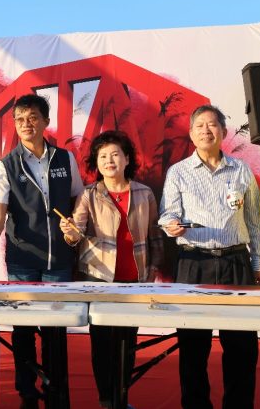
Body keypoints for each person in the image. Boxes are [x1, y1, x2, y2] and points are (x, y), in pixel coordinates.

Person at [0, 94, 84, 409]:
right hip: (22, 260)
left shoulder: (65, 159)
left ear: (45, 122)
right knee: (23, 330)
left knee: (55, 330)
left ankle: (56, 392)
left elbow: (79, 201)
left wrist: (75, 226)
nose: (26, 124)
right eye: (19, 120)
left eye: (32, 118)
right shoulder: (6, 166)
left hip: (59, 259)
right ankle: (27, 393)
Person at [159, 104, 260, 409]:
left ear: (223, 131)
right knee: (193, 346)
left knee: (242, 346)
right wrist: (170, 225)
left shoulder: (240, 169)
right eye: (200, 126)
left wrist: (257, 264)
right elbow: (167, 213)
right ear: (191, 134)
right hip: (194, 263)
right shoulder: (178, 171)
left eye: (212, 125)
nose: (206, 131)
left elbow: (255, 221)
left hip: (236, 263)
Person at [60, 130, 163, 409]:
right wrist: (69, 231)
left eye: (115, 154)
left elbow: (155, 235)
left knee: (128, 343)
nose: (109, 160)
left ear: (127, 159)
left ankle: (122, 398)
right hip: (99, 278)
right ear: (97, 162)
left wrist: (153, 267)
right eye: (103, 156)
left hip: (134, 279)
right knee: (102, 343)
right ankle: (107, 399)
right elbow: (76, 234)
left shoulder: (144, 193)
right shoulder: (89, 194)